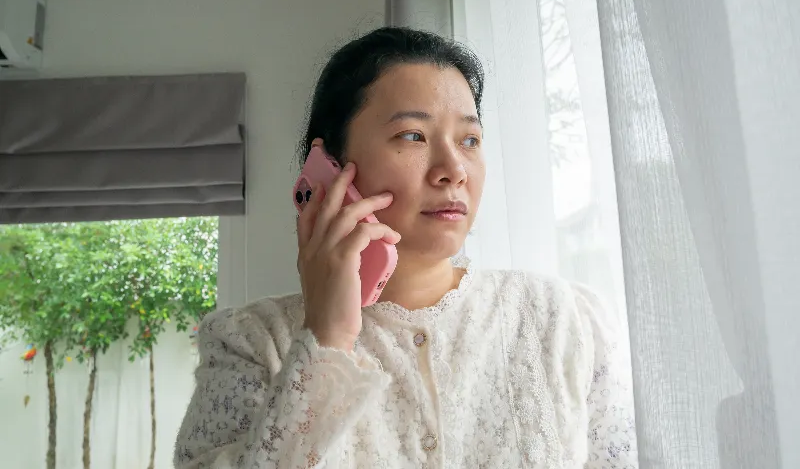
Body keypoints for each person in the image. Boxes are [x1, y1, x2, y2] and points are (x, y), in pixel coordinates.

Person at [174, 27, 637, 468]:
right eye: (412, 135)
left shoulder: (567, 320)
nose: (454, 169)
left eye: (469, 139)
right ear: (329, 166)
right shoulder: (251, 342)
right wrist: (325, 340)